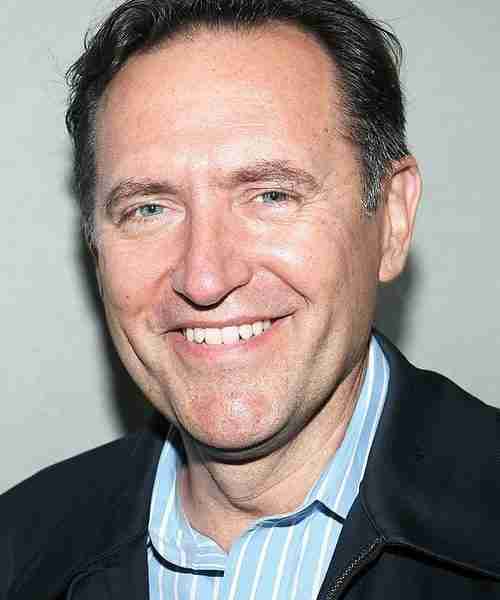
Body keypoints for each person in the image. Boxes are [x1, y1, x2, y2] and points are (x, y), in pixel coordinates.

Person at [1, 0, 498, 598]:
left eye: (271, 196)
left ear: (392, 219)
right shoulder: (17, 554)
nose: (205, 278)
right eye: (150, 208)